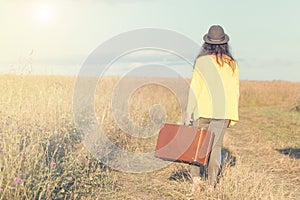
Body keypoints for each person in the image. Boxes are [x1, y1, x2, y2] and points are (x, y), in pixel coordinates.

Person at [185, 25, 240, 192]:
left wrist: (189, 111)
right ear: (225, 43)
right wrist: (232, 116)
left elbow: (195, 88)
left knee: (197, 146)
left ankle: (196, 179)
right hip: (222, 112)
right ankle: (211, 185)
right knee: (215, 148)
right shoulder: (232, 64)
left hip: (202, 110)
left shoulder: (201, 62)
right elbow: (234, 91)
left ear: (207, 43)